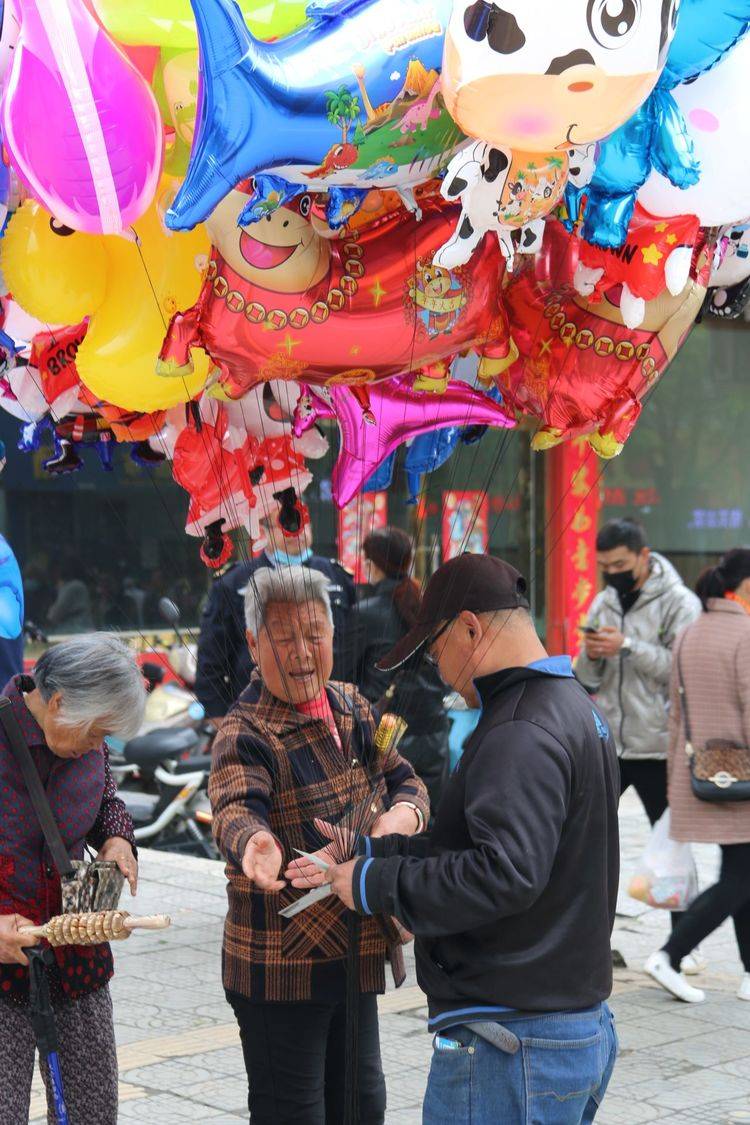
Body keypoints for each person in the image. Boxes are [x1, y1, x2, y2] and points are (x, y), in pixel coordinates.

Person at [326, 553, 620, 1125]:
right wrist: (373, 851)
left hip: (514, 1040)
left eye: (437, 650)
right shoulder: (573, 705)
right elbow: (516, 850)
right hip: (558, 1022)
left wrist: (372, 883)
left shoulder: (520, 728)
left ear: (469, 628)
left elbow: (502, 873)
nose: (439, 669)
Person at [208, 566, 428, 1124]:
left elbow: (405, 777)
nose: (303, 652)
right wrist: (253, 841)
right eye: (284, 638)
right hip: (280, 962)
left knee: (362, 1103)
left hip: (355, 946)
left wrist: (398, 820)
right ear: (255, 645)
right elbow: (236, 805)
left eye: (315, 634)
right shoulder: (244, 730)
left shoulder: (355, 706)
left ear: (334, 635)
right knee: (295, 1112)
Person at [0, 634, 145, 1125]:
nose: (98, 745)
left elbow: (107, 804)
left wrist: (119, 840)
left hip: (76, 961)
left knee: (92, 1114)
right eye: (95, 731)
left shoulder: (90, 751)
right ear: (59, 702)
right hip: (2, 969)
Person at [575, 518, 702, 962]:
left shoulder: (679, 603)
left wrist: (628, 646)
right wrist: (591, 653)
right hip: (608, 743)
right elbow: (584, 677)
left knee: (671, 849)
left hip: (660, 745)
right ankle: (591, 944)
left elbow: (683, 669)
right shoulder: (605, 602)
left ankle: (678, 952)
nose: (614, 574)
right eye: (606, 566)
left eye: (621, 565)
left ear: (644, 557)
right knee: (589, 845)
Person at [645, 549, 750, 1005]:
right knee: (740, 877)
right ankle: (668, 955)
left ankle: (749, 973)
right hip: (745, 778)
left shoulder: (688, 634)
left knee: (741, 870)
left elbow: (676, 718)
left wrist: (674, 781)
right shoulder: (746, 634)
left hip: (706, 774)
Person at [196, 506, 355, 719]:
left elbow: (357, 647)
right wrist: (221, 722)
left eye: (301, 521)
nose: (295, 529)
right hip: (258, 715)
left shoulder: (337, 578)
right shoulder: (234, 583)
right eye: (285, 522)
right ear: (265, 530)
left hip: (330, 712)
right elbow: (211, 661)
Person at [344, 527, 450, 813]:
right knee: (428, 825)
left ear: (373, 564)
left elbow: (342, 678)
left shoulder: (365, 613)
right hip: (434, 734)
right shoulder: (427, 607)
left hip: (385, 738)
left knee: (386, 829)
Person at [47, 560, 94, 634]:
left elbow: (54, 615)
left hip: (76, 632)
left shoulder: (73, 586)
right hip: (78, 631)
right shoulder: (78, 585)